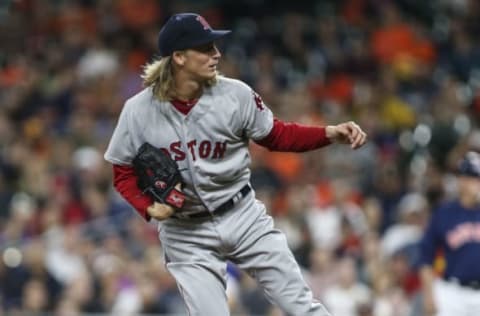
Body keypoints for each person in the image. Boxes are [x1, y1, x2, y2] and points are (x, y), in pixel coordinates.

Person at [104, 12, 367, 316]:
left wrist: (328, 134)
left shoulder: (235, 95)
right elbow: (122, 171)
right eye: (205, 48)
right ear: (178, 57)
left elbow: (276, 135)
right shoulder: (138, 111)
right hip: (185, 232)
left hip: (242, 215)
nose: (216, 53)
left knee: (302, 307)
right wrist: (148, 207)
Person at [419, 151, 480, 316]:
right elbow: (426, 259)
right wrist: (428, 296)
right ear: (459, 180)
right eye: (467, 177)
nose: (471, 183)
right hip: (452, 294)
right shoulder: (444, 213)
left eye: (475, 178)